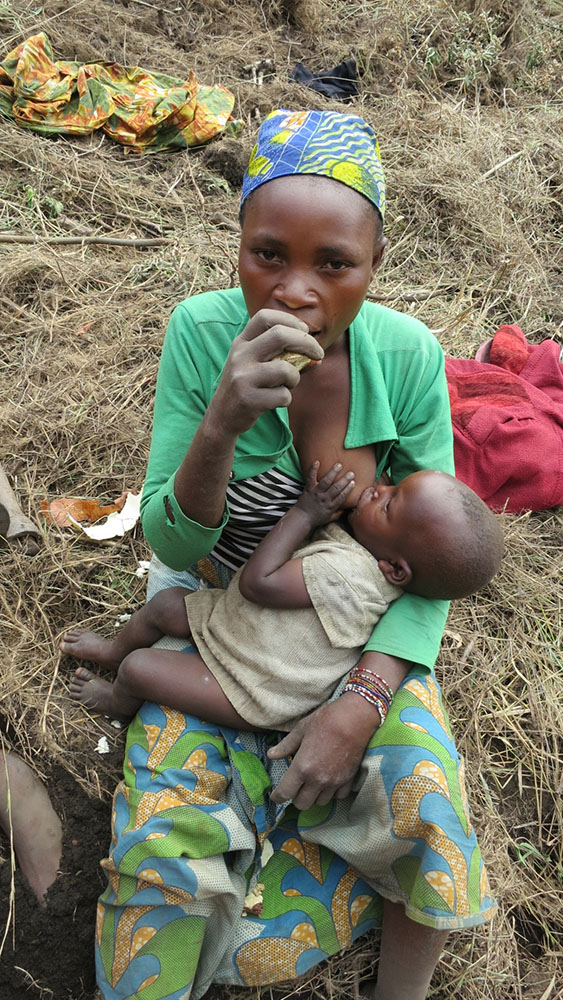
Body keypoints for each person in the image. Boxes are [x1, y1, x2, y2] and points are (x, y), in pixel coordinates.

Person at [92, 109, 498, 1000]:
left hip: (355, 634)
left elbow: (433, 566)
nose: (293, 290)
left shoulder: (407, 356)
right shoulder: (202, 334)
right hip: (218, 614)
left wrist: (363, 697)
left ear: (373, 267)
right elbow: (171, 538)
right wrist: (220, 426)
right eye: (267, 254)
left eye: (334, 264)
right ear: (238, 243)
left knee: (424, 797)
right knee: (161, 846)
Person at [62, 465, 503, 728]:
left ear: (395, 568)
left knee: (142, 669)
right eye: (392, 484)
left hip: (253, 685)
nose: (377, 489)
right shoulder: (378, 554)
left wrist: (304, 512)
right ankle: (111, 650)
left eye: (388, 503)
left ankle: (117, 701)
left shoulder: (346, 576)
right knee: (163, 606)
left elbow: (258, 583)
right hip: (240, 629)